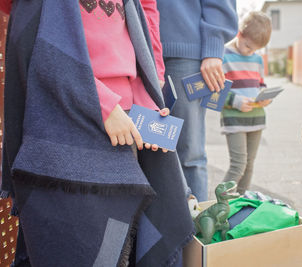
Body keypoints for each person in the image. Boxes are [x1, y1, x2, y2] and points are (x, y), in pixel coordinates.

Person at [0, 1, 193, 266]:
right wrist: (102, 106)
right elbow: (41, 50)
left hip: (125, 127)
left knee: (118, 246)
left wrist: (146, 107)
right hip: (66, 129)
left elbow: (135, 47)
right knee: (76, 246)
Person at [156, 0, 238, 202]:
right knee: (149, 149)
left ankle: (196, 229)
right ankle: (157, 230)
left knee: (189, 153)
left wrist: (213, 47)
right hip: (138, 48)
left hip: (185, 52)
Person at [220, 11, 272, 195]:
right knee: (238, 165)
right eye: (248, 46)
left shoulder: (257, 59)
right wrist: (235, 101)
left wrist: (265, 97)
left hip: (256, 118)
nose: (250, 52)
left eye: (254, 49)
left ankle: (240, 204)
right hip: (234, 119)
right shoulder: (222, 55)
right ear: (239, 34)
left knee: (249, 165)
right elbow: (214, 91)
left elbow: (261, 84)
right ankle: (219, 204)